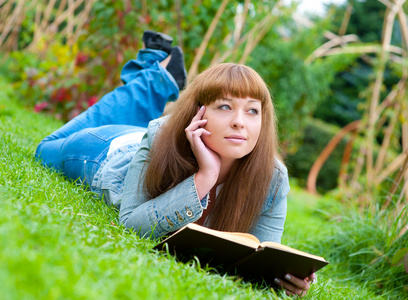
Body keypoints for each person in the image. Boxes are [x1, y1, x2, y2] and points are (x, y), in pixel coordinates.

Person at [34, 30, 316, 297]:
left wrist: (284, 277)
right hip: (109, 153)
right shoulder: (160, 135)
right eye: (225, 106)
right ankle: (154, 80)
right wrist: (205, 176)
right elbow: (132, 224)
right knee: (43, 151)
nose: (239, 122)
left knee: (146, 122)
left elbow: (260, 251)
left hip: (149, 137)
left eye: (252, 110)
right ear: (199, 113)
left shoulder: (273, 177)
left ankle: (155, 70)